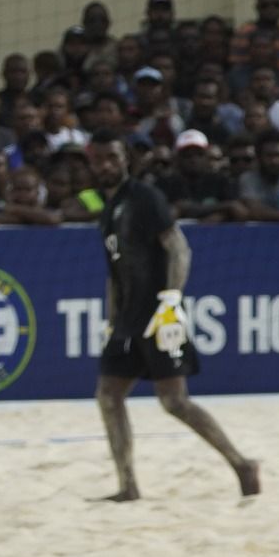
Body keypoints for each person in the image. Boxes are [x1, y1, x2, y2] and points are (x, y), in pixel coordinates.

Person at [86, 131, 258, 502]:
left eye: (112, 157)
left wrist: (171, 300)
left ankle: (241, 463)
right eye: (99, 159)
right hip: (128, 320)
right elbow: (114, 274)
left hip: (158, 315)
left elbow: (178, 246)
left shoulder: (144, 197)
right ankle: (127, 484)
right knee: (108, 394)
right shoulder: (108, 210)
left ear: (124, 159)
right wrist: (111, 321)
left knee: (174, 401)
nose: (106, 165)